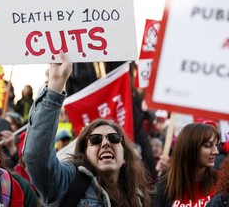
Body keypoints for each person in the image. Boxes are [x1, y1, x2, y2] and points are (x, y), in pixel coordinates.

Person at [23, 52, 151, 207]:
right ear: (84, 152)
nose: (105, 143)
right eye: (96, 139)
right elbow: (36, 157)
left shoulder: (138, 198)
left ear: (124, 155)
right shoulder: (67, 183)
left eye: (114, 138)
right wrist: (55, 85)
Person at [151, 123, 220, 207]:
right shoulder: (164, 186)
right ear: (189, 148)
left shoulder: (221, 183)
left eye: (216, 145)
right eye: (208, 145)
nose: (216, 151)